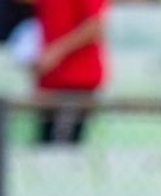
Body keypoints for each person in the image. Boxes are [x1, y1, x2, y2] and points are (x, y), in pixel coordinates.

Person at [32, 0, 108, 144]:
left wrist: (57, 51)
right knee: (47, 146)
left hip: (77, 81)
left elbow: (95, 25)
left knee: (62, 147)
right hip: (51, 82)